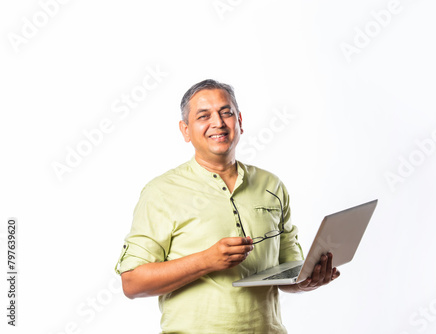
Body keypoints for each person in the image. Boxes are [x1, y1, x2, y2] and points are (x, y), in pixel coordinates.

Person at [114, 79, 340, 333]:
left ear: (240, 121)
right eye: (204, 116)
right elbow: (132, 283)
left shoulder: (271, 185)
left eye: (226, 113)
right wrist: (206, 261)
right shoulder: (161, 192)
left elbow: (287, 270)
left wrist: (305, 282)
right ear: (185, 130)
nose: (218, 123)